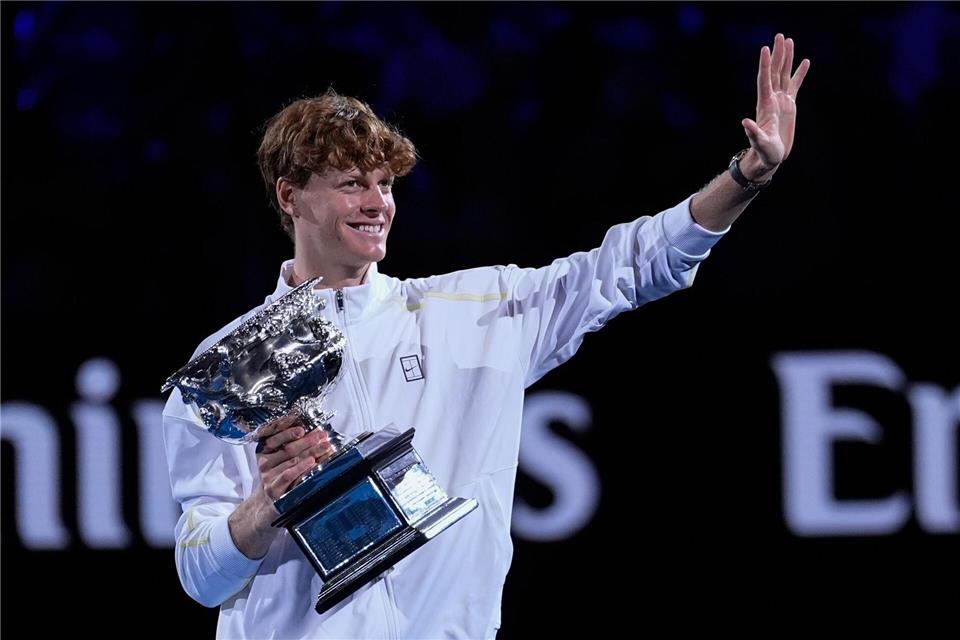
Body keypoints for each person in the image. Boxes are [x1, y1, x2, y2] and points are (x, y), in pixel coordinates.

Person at [163, 33, 809, 639]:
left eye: (385, 184)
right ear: (290, 197)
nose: (377, 203)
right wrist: (264, 508)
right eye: (352, 184)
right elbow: (200, 575)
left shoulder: (474, 311)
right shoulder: (229, 367)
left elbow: (632, 265)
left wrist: (747, 176)